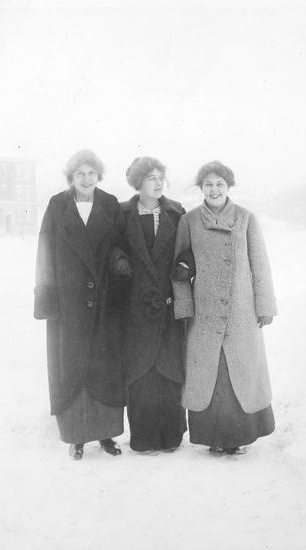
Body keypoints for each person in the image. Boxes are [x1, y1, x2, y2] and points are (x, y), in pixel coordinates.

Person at [172, 160, 277, 455]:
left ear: (228, 187)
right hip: (205, 316)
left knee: (239, 374)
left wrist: (264, 304)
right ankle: (212, 438)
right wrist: (184, 306)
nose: (214, 189)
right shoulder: (189, 221)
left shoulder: (246, 219)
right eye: (208, 184)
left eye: (219, 184)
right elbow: (178, 267)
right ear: (201, 188)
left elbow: (260, 266)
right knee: (210, 375)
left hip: (241, 314)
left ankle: (239, 438)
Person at [34, 149, 126, 460]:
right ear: (71, 177)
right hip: (68, 305)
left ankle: (107, 436)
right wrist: (46, 299)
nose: (86, 179)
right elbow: (45, 250)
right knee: (71, 368)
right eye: (79, 174)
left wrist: (119, 260)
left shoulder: (110, 204)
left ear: (99, 175)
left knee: (105, 368)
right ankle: (76, 437)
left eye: (91, 173)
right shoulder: (57, 205)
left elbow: (119, 245)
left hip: (104, 304)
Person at [112, 156, 187, 452]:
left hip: (167, 308)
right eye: (151, 178)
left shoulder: (176, 213)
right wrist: (116, 258)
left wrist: (185, 265)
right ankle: (142, 439)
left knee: (169, 372)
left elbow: (187, 250)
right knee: (141, 374)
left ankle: (171, 437)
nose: (158, 183)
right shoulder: (122, 213)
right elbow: (112, 246)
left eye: (161, 177)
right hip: (136, 309)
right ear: (138, 183)